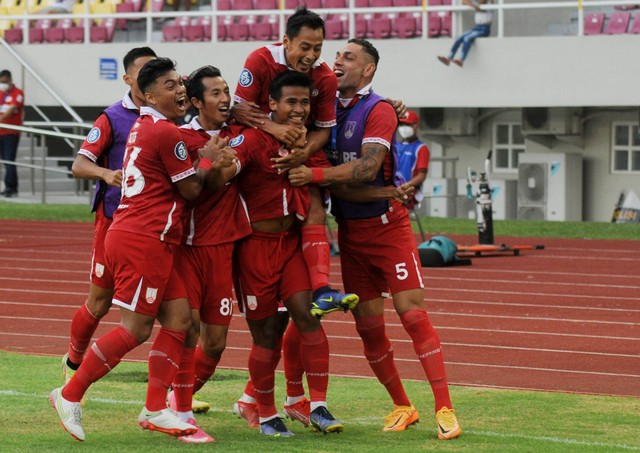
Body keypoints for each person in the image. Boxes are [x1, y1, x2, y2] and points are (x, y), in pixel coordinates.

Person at [49, 57, 236, 442]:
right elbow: (192, 191)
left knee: (180, 320)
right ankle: (69, 393)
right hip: (143, 238)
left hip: (149, 237)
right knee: (136, 329)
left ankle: (155, 407)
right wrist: (209, 159)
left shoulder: (148, 126)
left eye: (179, 82)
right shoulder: (165, 133)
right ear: (149, 95)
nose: (180, 89)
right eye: (169, 85)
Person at [288, 39, 462, 441]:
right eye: (337, 56)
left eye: (348, 58)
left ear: (368, 71)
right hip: (351, 233)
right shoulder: (323, 108)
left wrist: (314, 176)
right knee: (368, 329)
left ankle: (445, 407)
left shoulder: (378, 109)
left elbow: (366, 170)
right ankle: (403, 405)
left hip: (388, 229)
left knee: (413, 315)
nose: (337, 61)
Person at [218, 70, 344, 437]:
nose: (299, 109)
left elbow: (320, 192)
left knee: (309, 317)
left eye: (305, 102)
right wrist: (218, 163)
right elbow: (227, 167)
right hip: (254, 249)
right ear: (271, 104)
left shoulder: (306, 144)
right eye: (291, 101)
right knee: (266, 336)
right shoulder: (253, 140)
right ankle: (267, 412)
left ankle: (317, 404)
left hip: (290, 245)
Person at [62, 47, 157, 406]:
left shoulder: (169, 116)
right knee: (99, 303)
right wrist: (106, 174)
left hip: (153, 229)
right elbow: (79, 164)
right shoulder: (113, 117)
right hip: (114, 223)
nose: (151, 75)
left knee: (172, 309)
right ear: (129, 79)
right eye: (144, 70)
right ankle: (73, 364)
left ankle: (179, 391)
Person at [165, 65, 252, 444]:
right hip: (187, 247)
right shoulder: (182, 138)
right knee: (187, 330)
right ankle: (180, 411)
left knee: (215, 343)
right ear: (196, 101)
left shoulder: (241, 134)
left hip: (225, 248)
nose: (223, 98)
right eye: (214, 93)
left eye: (225, 90)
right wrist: (212, 163)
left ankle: (173, 396)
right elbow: (194, 191)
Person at [438, 0, 493, 68]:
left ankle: (461, 60)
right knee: (459, 38)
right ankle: (449, 58)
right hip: (476, 28)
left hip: (484, 29)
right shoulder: (478, 4)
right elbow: (464, 1)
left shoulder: (489, 5)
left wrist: (473, 5)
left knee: (467, 38)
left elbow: (479, 8)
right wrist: (473, 5)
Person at [396, 109, 430, 209]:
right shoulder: (395, 146)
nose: (403, 128)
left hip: (409, 192)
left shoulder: (421, 148)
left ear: (415, 126)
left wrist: (406, 186)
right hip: (392, 191)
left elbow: (421, 176)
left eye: (408, 125)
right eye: (401, 125)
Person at [0, 70, 24, 198]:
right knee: (5, 160)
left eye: (4, 82)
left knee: (9, 160)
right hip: (1, 132)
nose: (2, 84)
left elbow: (13, 108)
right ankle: (8, 186)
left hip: (11, 132)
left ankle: (12, 187)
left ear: (9, 80)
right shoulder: (1, 94)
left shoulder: (18, 93)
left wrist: (1, 119)